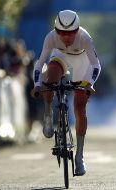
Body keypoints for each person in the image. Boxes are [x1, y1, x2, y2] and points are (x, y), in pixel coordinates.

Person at [31, 10, 101, 176]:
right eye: (61, 33)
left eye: (70, 33)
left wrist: (89, 84)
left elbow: (96, 65)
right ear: (56, 31)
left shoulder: (85, 38)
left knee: (79, 107)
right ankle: (48, 114)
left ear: (77, 31)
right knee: (50, 76)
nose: (66, 37)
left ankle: (79, 157)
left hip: (82, 62)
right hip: (61, 56)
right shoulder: (50, 37)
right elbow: (39, 63)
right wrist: (36, 85)